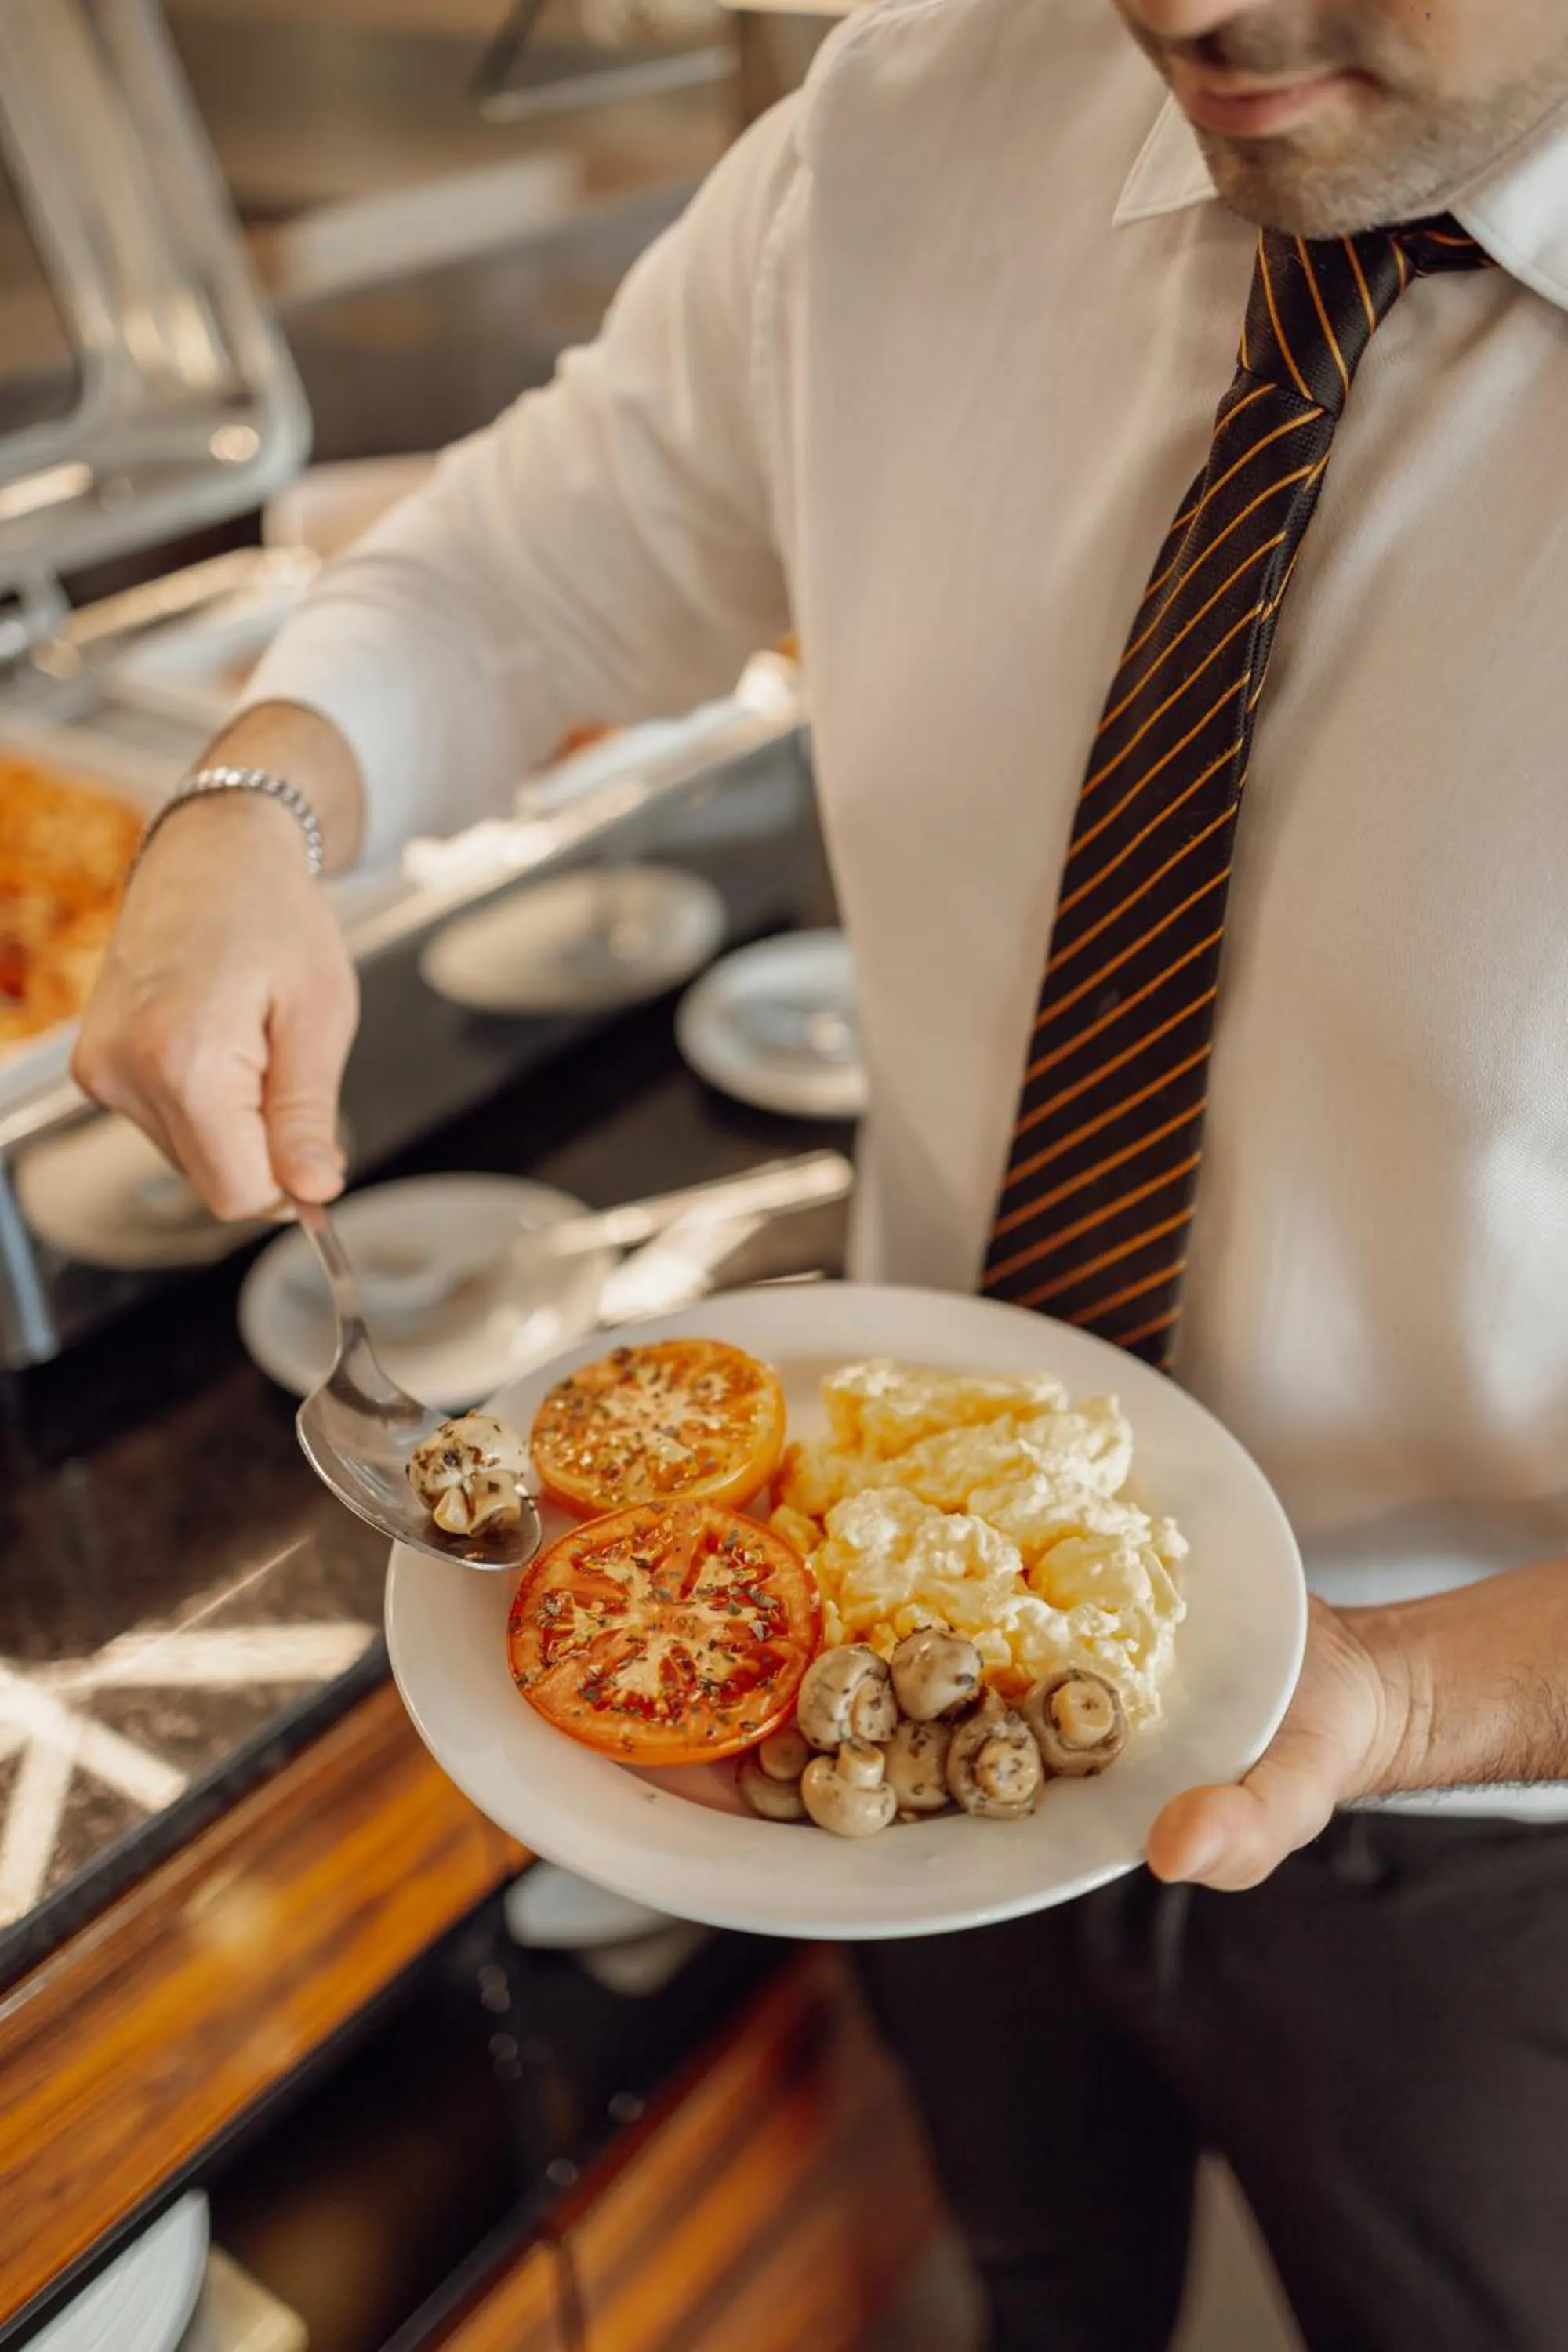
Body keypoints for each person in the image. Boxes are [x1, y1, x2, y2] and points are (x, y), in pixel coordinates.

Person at [77, 1, 1568, 2343]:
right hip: (872, 1674)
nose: (1195, 11)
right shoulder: (912, 118)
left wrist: (1404, 1700)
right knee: (1036, 2276)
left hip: (1486, 1823)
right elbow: (526, 568)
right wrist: (252, 806)